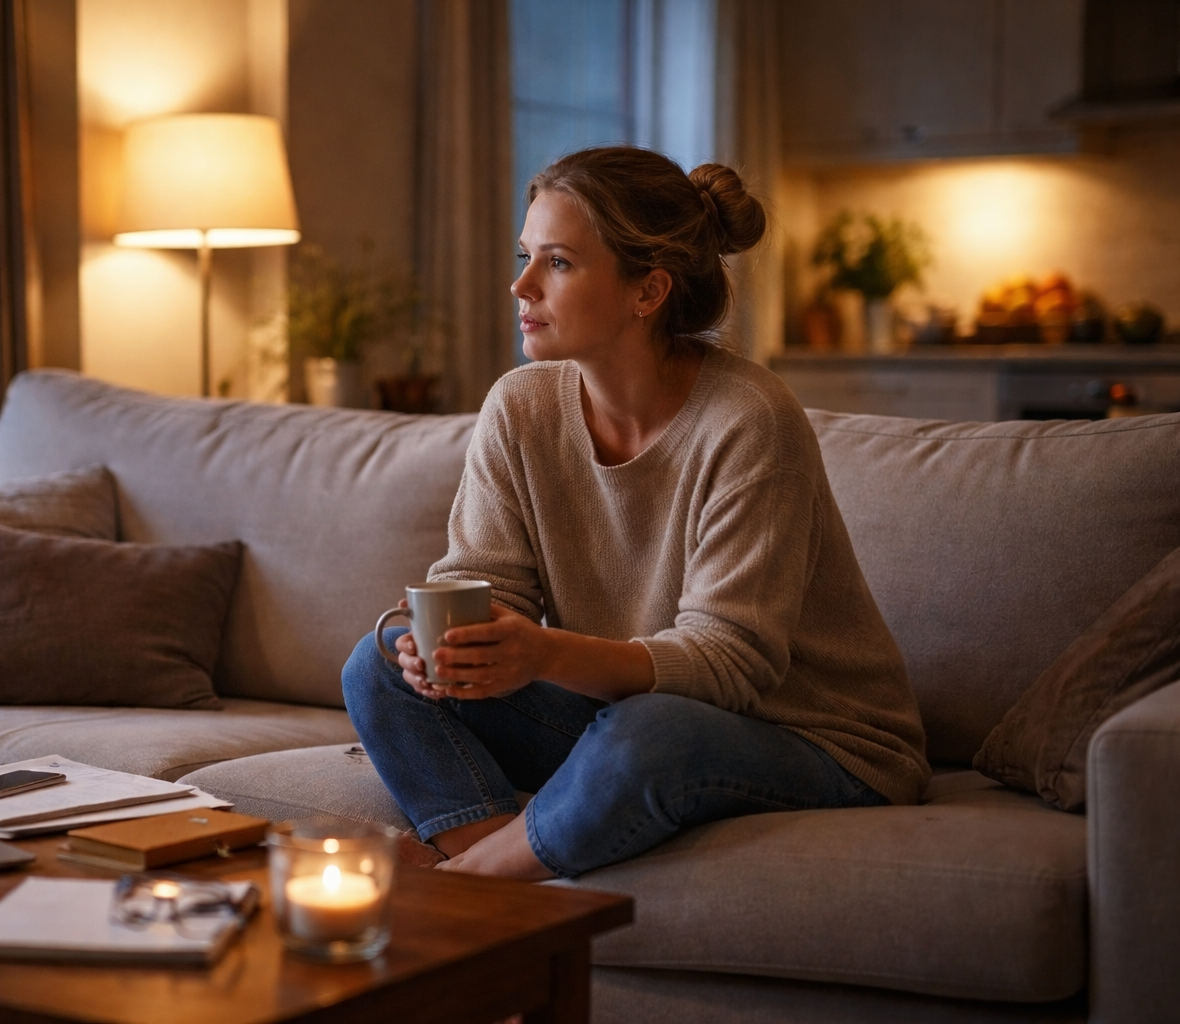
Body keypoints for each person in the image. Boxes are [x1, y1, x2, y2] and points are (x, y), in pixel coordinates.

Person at [342, 147, 928, 881]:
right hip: (624, 713)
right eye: (526, 256)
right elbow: (488, 587)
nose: (521, 285)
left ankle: (466, 885)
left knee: (652, 733)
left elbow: (730, 665)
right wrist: (444, 648)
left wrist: (543, 654)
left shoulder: (750, 420)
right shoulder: (520, 407)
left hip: (811, 739)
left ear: (647, 291)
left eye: (557, 263)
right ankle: (501, 860)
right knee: (376, 663)